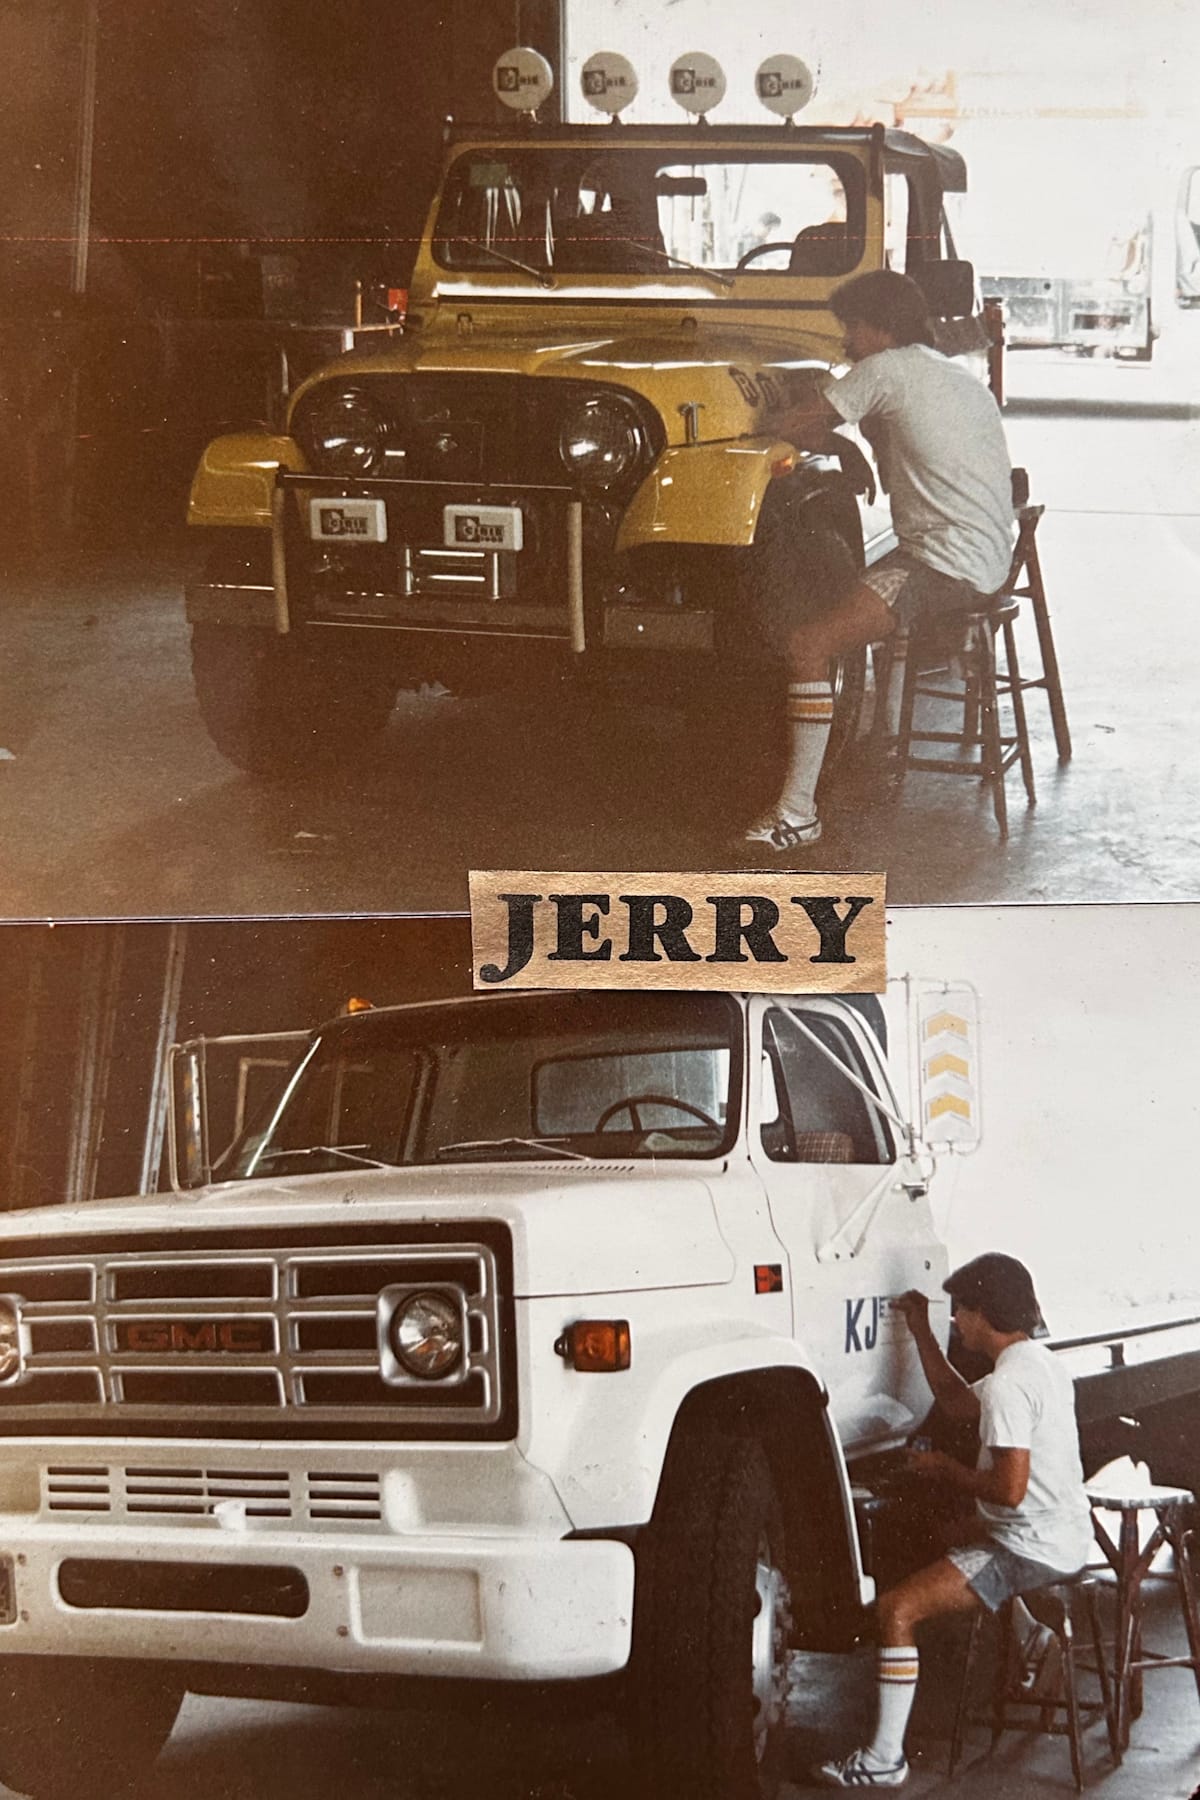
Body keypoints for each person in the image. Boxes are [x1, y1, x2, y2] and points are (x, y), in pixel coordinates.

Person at [746, 268, 1015, 852]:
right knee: (854, 592)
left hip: (946, 563)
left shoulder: (884, 369)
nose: (845, 341)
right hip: (991, 554)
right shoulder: (951, 372)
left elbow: (784, 425)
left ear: (882, 328)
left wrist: (820, 432)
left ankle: (797, 814)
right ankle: (885, 731)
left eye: (852, 328)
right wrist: (846, 444)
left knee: (808, 644)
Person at [816, 1252, 1094, 1790]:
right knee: (943, 1542)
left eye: (958, 1312)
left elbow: (1009, 1492)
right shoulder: (1036, 1363)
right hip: (1060, 1531)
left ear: (981, 1313)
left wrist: (942, 1469)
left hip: (1027, 1544)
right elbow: (954, 1402)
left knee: (897, 1609)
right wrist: (919, 1329)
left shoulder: (1010, 1387)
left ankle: (883, 1760)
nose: (956, 1322)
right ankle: (1032, 1636)